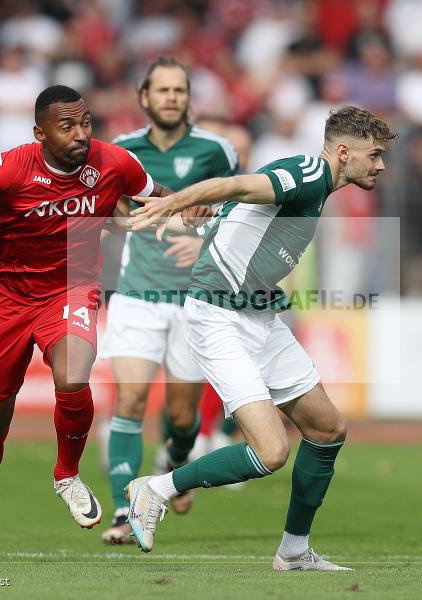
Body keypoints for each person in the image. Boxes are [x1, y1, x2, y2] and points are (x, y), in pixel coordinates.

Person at [0, 85, 182, 566]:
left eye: (86, 122)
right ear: (40, 133)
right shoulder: (11, 165)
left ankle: (66, 473)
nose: (81, 134)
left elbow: (157, 195)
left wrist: (194, 207)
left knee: (73, 375)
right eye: (67, 126)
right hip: (5, 297)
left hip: (71, 286)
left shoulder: (115, 163)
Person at [124, 106, 397, 570]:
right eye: (374, 155)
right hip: (218, 317)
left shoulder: (314, 185)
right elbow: (235, 184)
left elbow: (233, 210)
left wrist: (197, 223)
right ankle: (156, 488)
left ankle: (294, 551)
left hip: (260, 319)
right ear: (344, 151)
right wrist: (172, 202)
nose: (381, 165)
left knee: (328, 430)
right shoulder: (308, 172)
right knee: (272, 451)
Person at [100, 56, 238, 544]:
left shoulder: (216, 150)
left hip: (194, 300)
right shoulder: (121, 151)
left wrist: (205, 238)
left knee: (182, 417)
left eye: (179, 90)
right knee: (131, 399)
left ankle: (174, 462)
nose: (172, 97)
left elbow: (244, 213)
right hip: (137, 292)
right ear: (144, 97)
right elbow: (109, 210)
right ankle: (123, 511)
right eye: (162, 90)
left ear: (188, 97)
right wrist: (124, 219)